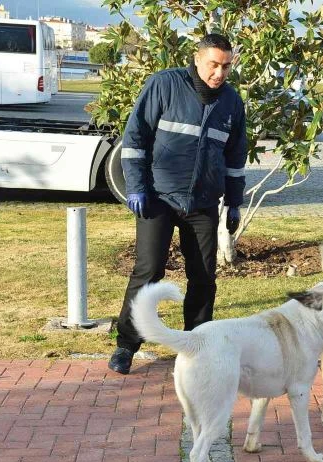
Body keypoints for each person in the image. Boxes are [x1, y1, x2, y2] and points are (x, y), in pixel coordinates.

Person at [107, 33, 247, 375]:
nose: (219, 72)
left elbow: (235, 155)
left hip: (202, 203)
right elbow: (135, 137)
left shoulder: (231, 101)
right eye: (214, 64)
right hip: (158, 197)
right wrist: (137, 187)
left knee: (203, 276)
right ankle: (126, 344)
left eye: (226, 66)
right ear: (197, 59)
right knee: (149, 271)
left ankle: (197, 345)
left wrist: (234, 202)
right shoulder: (164, 85)